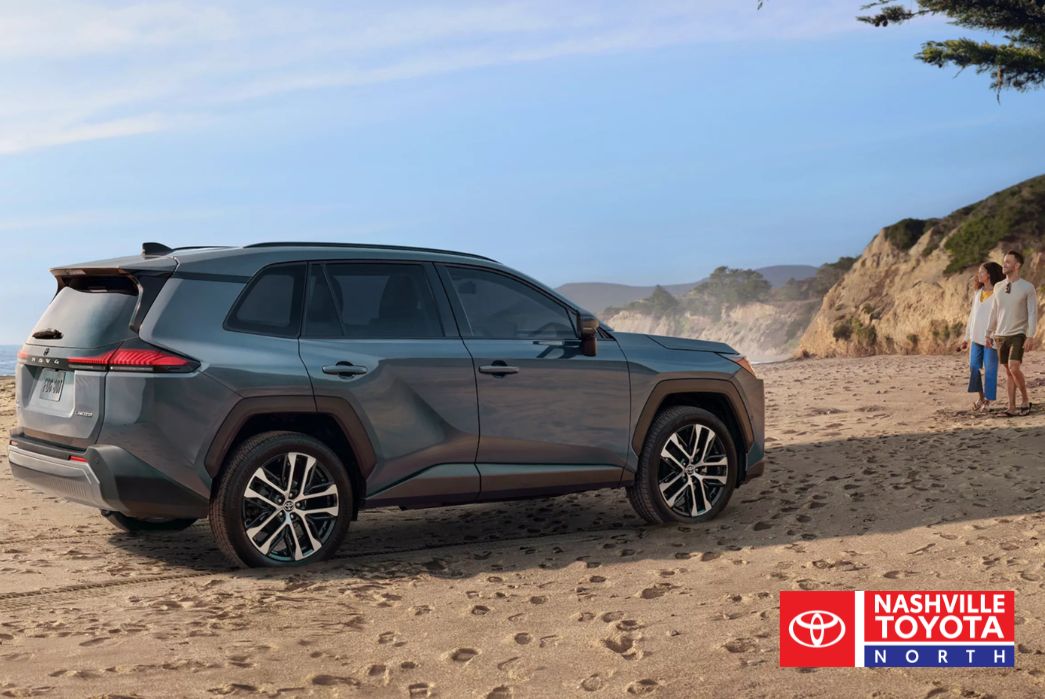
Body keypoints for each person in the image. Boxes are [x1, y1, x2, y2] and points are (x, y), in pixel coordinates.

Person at [985, 250, 1038, 417]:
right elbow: (994, 311)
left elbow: (1032, 313)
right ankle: (1011, 407)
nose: (1004, 264)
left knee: (1014, 367)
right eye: (1004, 261)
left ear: (1017, 265)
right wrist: (988, 333)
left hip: (1018, 333)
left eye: (1008, 262)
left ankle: (1025, 400)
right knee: (1008, 372)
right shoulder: (998, 287)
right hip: (1000, 335)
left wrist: (1030, 335)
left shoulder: (1027, 287)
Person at [960, 261, 1005, 412]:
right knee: (974, 367)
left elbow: (1000, 317)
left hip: (990, 339)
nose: (978, 275)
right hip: (975, 338)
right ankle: (980, 396)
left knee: (990, 370)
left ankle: (987, 400)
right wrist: (966, 337)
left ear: (989, 274)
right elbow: (972, 316)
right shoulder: (978, 293)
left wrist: (993, 336)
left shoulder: (999, 293)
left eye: (981, 272)